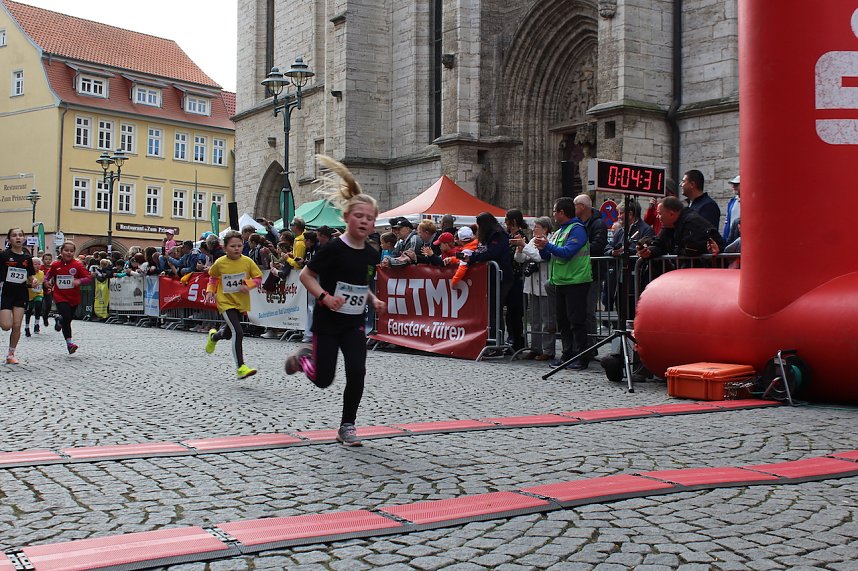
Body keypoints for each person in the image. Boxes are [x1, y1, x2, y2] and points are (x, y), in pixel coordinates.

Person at [285, 155, 385, 447]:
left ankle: (347, 426)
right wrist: (324, 297)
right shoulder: (332, 250)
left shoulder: (371, 253)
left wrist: (373, 298)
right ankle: (304, 359)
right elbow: (306, 276)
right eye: (359, 216)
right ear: (346, 218)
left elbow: (360, 283)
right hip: (327, 322)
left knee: (357, 371)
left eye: (369, 218)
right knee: (323, 379)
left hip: (353, 323)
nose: (364, 221)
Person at [534, 197, 592, 370]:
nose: (553, 214)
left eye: (554, 211)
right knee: (563, 322)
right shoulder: (560, 231)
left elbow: (567, 252)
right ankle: (567, 355)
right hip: (561, 281)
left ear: (561, 212)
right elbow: (549, 255)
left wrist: (548, 246)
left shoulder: (577, 229)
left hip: (576, 281)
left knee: (577, 321)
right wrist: (543, 247)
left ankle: (582, 357)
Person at [203, 230, 262, 379]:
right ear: (224, 248)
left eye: (240, 245)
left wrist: (248, 285)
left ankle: (214, 337)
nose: (237, 249)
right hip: (225, 302)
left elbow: (258, 278)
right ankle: (241, 367)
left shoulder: (247, 262)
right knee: (238, 332)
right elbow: (213, 278)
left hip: (240, 302)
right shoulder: (220, 262)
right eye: (233, 246)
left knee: (228, 334)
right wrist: (210, 290)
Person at [514, 216, 556, 361]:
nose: (533, 229)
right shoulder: (532, 241)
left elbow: (540, 257)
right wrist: (520, 249)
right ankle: (535, 348)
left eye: (536, 227)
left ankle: (548, 349)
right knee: (535, 319)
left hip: (545, 283)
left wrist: (524, 246)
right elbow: (520, 259)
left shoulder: (550, 240)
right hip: (532, 284)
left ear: (545, 229)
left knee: (547, 319)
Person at [573, 195, 608, 361]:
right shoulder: (579, 223)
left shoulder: (598, 223)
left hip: (593, 271)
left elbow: (598, 246)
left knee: (589, 311)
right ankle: (583, 345)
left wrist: (577, 249)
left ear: (582, 206)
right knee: (581, 310)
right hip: (580, 271)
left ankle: (591, 346)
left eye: (575, 205)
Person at [638, 196, 723, 262]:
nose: (657, 217)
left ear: (671, 214)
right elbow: (659, 243)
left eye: (659, 214)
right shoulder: (668, 226)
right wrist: (649, 252)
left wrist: (676, 250)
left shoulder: (692, 222)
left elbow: (692, 250)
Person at [43, 241, 92, 354]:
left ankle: (59, 320)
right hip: (60, 295)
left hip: (74, 297)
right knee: (66, 315)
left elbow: (88, 278)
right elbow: (48, 275)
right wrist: (46, 282)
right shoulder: (55, 265)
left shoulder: (77, 265)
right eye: (66, 250)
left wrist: (79, 281)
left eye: (71, 251)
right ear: (61, 251)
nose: (69, 253)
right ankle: (69, 343)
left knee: (67, 320)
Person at [1, 228, 37, 363]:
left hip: (21, 294)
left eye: (20, 235)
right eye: (14, 235)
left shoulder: (27, 258)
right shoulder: (4, 255)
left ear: (23, 239)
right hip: (5, 292)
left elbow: (30, 276)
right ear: (9, 240)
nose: (18, 238)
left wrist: (33, 281)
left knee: (17, 325)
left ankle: (11, 354)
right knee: (5, 325)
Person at [504, 209, 528, 352]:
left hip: (517, 278)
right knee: (510, 313)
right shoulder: (509, 236)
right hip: (510, 277)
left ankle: (518, 340)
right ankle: (512, 338)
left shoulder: (521, 237)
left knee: (515, 312)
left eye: (507, 220)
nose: (505, 223)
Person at [24, 257, 45, 337]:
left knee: (38, 305)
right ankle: (27, 327)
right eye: (35, 264)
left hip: (38, 293)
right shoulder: (28, 273)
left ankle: (36, 324)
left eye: (39, 264)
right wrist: (30, 285)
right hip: (29, 295)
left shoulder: (42, 273)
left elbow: (42, 283)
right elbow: (24, 284)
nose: (37, 266)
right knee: (29, 311)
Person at [722, 175, 741, 244]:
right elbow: (727, 222)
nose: (733, 187)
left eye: (736, 185)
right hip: (732, 237)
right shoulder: (732, 202)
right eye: (733, 185)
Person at [40, 251, 54, 329]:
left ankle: (45, 316)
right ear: (43, 260)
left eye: (49, 259)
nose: (48, 261)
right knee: (39, 304)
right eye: (46, 259)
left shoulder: (52, 268)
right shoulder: (40, 267)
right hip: (40, 289)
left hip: (48, 289)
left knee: (49, 304)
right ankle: (37, 320)